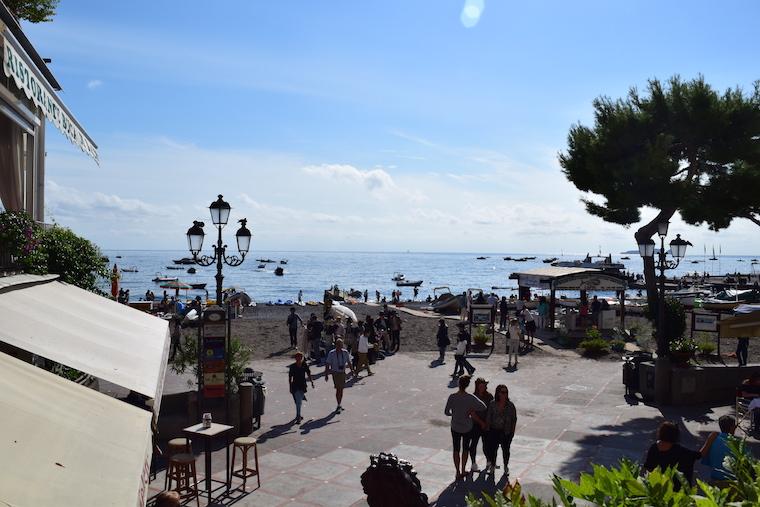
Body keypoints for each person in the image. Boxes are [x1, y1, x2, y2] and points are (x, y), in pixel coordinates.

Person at [643, 420, 715, 489]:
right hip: (678, 489)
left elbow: (648, 468)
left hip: (659, 487)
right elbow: (699, 455)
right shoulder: (680, 451)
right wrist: (710, 440)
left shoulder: (654, 448)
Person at [444, 375, 487, 481]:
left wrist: (454, 414)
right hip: (467, 427)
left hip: (455, 426)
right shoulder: (470, 398)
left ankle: (457, 472)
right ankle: (463, 470)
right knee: (465, 448)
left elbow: (446, 412)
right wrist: (472, 410)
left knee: (456, 448)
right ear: (468, 385)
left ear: (458, 384)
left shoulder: (452, 397)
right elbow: (483, 406)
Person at [484, 384, 517, 475]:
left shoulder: (510, 405)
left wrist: (512, 432)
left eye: (506, 392)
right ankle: (493, 466)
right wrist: (487, 429)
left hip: (506, 432)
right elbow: (489, 417)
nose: (505, 394)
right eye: (502, 392)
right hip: (494, 430)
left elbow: (514, 419)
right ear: (498, 393)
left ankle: (506, 466)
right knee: (492, 450)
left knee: (506, 450)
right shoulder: (492, 404)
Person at [701, 415, 738, 482]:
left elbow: (703, 456)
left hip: (715, 477)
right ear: (732, 427)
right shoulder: (737, 444)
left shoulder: (713, 439)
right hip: (732, 479)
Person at [324, 338, 354, 413]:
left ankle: (339, 403)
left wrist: (352, 370)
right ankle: (338, 404)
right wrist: (326, 374)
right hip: (335, 373)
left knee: (341, 389)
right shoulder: (332, 353)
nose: (340, 346)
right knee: (338, 389)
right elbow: (327, 364)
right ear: (335, 345)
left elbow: (349, 362)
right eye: (338, 345)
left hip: (342, 372)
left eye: (341, 345)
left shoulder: (345, 352)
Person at [470, 378, 494, 472]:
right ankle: (473, 463)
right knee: (473, 444)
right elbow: (472, 412)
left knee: (487, 444)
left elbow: (491, 410)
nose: (483, 387)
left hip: (487, 424)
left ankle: (489, 461)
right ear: (477, 386)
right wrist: (481, 422)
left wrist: (488, 423)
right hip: (475, 424)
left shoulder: (489, 396)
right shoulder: (473, 397)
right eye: (481, 386)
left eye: (484, 385)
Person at [288, 351, 314, 423]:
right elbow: (290, 378)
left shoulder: (304, 365)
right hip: (295, 385)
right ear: (295, 358)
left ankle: (298, 414)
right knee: (298, 402)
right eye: (297, 357)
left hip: (302, 385)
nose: (299, 359)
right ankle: (298, 416)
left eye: (300, 357)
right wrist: (290, 387)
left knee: (299, 401)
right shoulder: (292, 366)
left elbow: (308, 373)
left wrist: (312, 382)